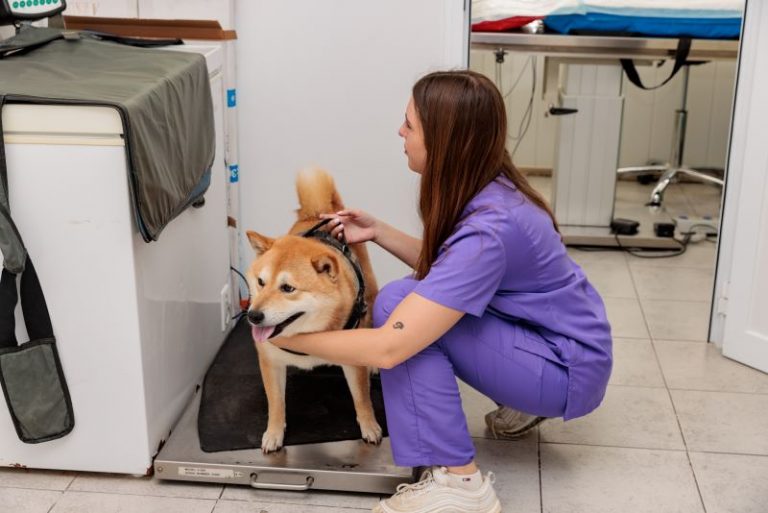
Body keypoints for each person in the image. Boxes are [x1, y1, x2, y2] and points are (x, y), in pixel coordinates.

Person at [270, 70, 613, 513]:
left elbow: (390, 349)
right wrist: (378, 231)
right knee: (417, 298)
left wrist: (289, 338)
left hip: (564, 370)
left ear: (444, 141)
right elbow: (453, 272)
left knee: (399, 304)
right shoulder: (490, 188)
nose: (400, 132)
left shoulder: (490, 229)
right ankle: (521, 399)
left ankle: (461, 483)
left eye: (409, 125)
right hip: (563, 345)